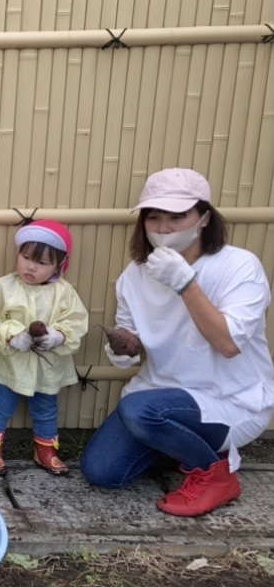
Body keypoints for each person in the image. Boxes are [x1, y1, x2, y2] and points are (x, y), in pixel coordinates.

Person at [80, 168, 273, 516]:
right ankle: (179, 445)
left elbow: (229, 344)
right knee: (102, 471)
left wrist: (185, 283)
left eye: (177, 216)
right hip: (158, 393)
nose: (164, 227)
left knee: (139, 410)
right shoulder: (135, 275)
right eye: (154, 217)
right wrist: (124, 349)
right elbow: (133, 338)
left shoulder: (239, 266)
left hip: (230, 398)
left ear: (204, 219)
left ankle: (217, 474)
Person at [0, 220, 88, 476]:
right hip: (10, 363)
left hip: (46, 366)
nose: (31, 267)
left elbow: (75, 321)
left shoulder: (64, 292)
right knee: (0, 406)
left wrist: (58, 336)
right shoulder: (3, 286)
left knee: (46, 408)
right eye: (26, 257)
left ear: (59, 265)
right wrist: (12, 336)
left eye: (42, 263)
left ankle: (46, 450)